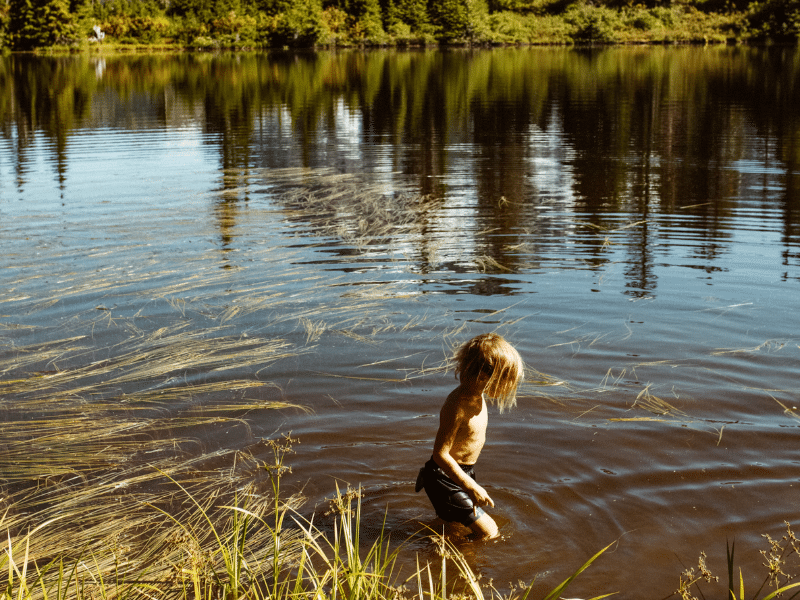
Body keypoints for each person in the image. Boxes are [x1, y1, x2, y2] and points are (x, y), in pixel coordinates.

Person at [416, 332, 524, 540]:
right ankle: (459, 561)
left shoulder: (476, 396)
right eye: (504, 381)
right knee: (490, 532)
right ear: (483, 376)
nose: (505, 388)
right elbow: (440, 454)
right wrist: (471, 486)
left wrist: (468, 480)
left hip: (462, 473)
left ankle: (439, 551)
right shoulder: (457, 405)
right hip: (443, 476)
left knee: (453, 527)